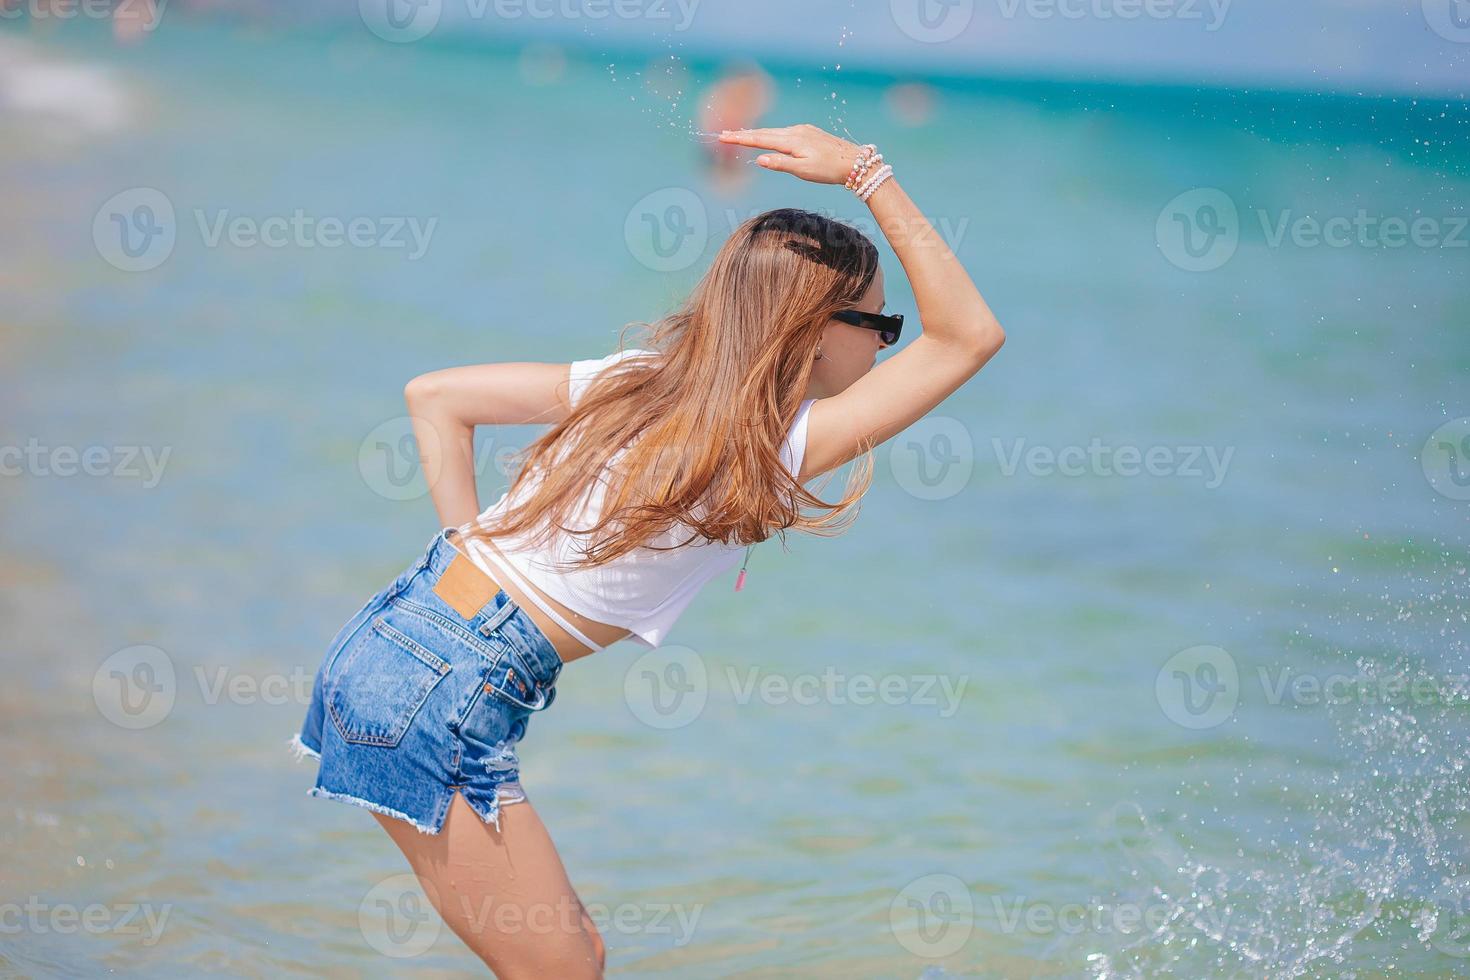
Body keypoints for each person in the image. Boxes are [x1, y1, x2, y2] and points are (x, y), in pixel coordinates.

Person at [289, 123, 1006, 977]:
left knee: (573, 960)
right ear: (815, 329)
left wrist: (465, 546)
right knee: (563, 969)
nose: (889, 341)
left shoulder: (637, 380)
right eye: (880, 321)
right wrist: (866, 173)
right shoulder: (774, 443)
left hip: (398, 634)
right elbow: (966, 335)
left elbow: (436, 396)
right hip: (449, 684)